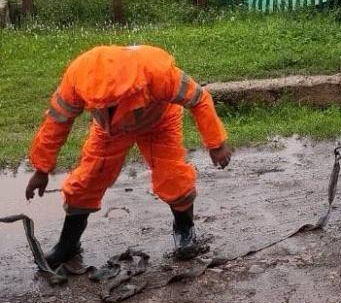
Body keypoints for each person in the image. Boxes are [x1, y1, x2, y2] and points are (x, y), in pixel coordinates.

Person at [24, 45, 231, 266]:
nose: (107, 105)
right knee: (87, 180)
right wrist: (41, 169)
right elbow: (57, 121)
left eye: (112, 102)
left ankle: (184, 230)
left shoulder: (156, 72)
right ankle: (67, 245)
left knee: (172, 177)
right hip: (108, 131)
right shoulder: (77, 76)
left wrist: (216, 144)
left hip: (159, 124)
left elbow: (199, 99)